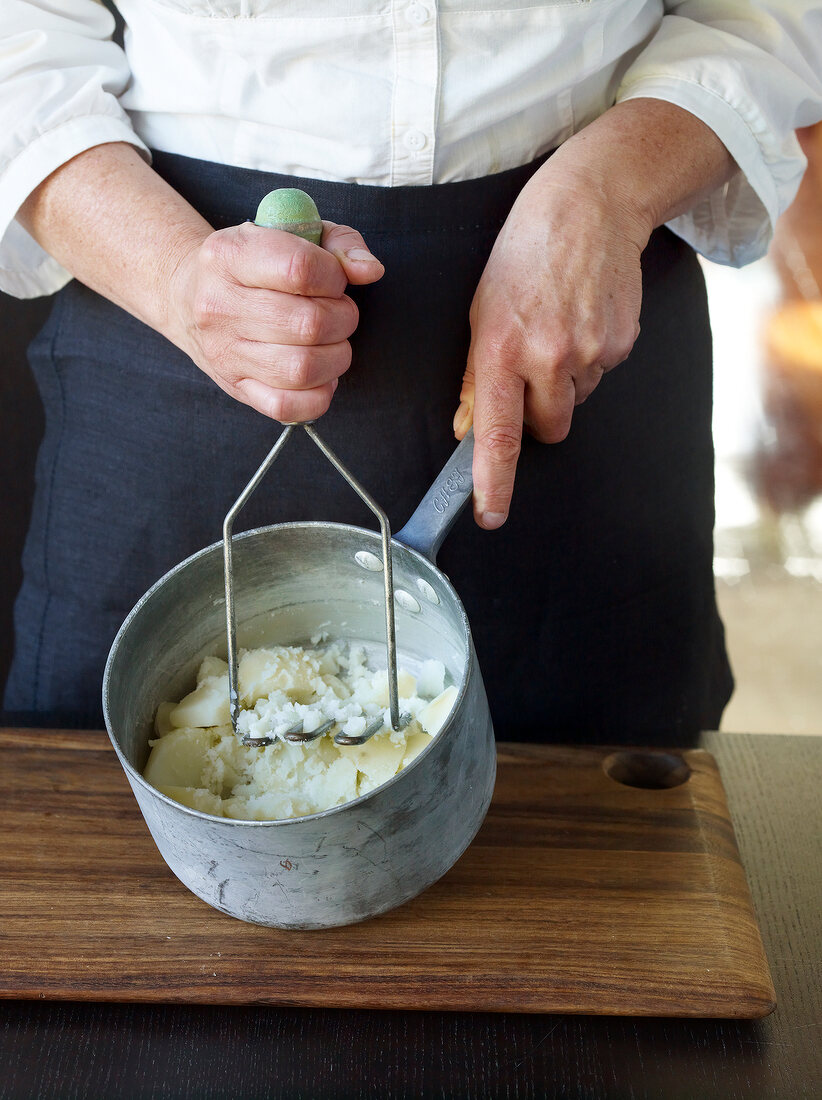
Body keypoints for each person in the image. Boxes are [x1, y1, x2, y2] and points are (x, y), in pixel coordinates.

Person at [1, 0, 820, 741]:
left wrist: (608, 191)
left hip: (579, 308)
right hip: (168, 294)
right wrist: (178, 277)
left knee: (620, 831)